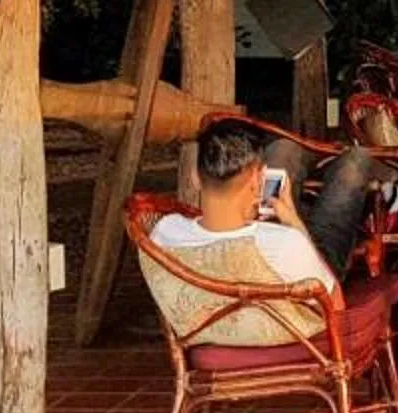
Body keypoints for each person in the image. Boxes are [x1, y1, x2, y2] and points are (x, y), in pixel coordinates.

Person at [147, 116, 378, 287]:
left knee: (283, 148)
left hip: (217, 326)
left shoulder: (163, 233)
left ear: (195, 178)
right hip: (302, 278)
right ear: (257, 183)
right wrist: (294, 223)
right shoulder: (287, 241)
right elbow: (334, 303)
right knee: (357, 161)